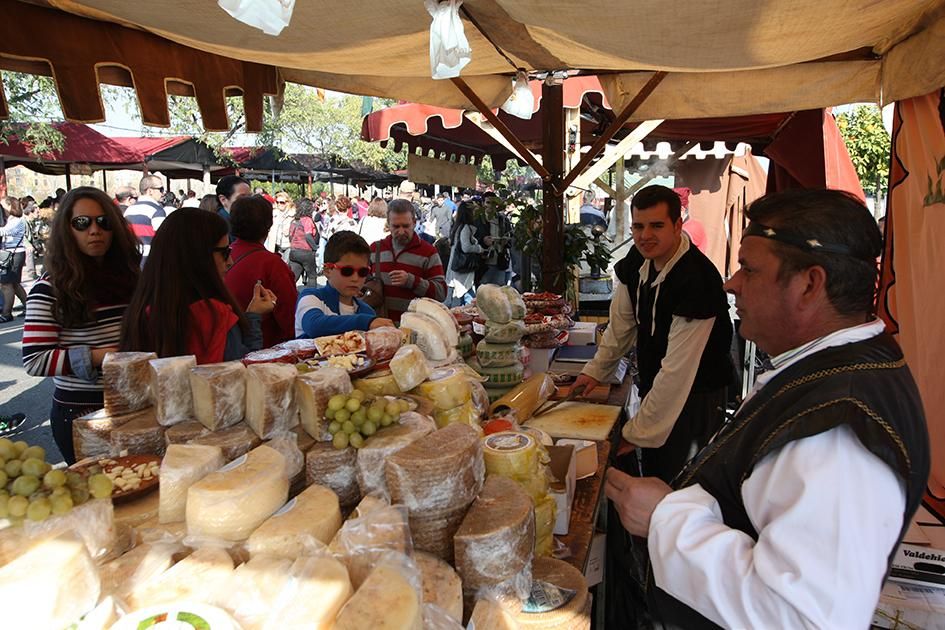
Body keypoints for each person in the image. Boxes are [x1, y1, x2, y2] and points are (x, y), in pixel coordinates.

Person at [606, 188, 930, 629]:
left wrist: (666, 519)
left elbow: (801, 617)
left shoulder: (837, 435)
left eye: (749, 269)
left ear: (809, 284)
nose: (731, 283)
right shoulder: (840, 370)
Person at [574, 185, 733, 483]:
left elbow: (678, 371)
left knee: (678, 485)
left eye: (657, 226)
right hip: (658, 387)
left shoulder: (697, 280)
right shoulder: (637, 258)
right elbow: (620, 328)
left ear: (677, 225)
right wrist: (595, 371)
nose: (645, 235)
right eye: (638, 226)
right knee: (653, 472)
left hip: (696, 396)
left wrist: (637, 432)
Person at [22, 187, 141, 463]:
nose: (94, 231)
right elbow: (35, 360)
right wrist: (103, 356)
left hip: (135, 402)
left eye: (104, 222)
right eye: (82, 223)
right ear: (67, 230)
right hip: (82, 411)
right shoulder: (49, 288)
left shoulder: (132, 278)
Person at [120, 208, 275, 364]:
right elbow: (245, 369)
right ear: (198, 255)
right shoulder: (213, 315)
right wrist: (254, 316)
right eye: (225, 252)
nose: (230, 262)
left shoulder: (140, 311)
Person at [225, 195, 298, 346]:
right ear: (268, 225)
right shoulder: (272, 264)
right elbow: (289, 317)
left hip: (227, 346)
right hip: (264, 351)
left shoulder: (221, 257)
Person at [295, 231, 395, 338]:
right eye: (347, 271)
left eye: (362, 272)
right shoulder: (311, 297)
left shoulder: (367, 311)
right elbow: (314, 325)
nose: (355, 278)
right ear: (327, 270)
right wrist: (364, 322)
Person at [370, 198, 447, 323]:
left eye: (406, 226)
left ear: (414, 223)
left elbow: (441, 293)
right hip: (380, 327)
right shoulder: (374, 249)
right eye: (396, 226)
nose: (401, 231)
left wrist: (412, 281)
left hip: (415, 329)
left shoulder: (428, 252)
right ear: (388, 224)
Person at [445, 201, 484, 306]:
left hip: (456, 266)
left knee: (463, 294)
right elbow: (466, 247)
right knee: (465, 294)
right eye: (474, 211)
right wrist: (479, 248)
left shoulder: (457, 226)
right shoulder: (466, 228)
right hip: (462, 267)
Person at [123, 174, 168, 265]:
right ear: (150, 191)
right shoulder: (157, 211)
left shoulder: (129, 210)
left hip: (132, 259)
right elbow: (163, 240)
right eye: (161, 189)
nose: (163, 193)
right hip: (150, 261)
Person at [0, 197, 28, 322]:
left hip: (15, 254)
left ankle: (6, 313)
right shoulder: (10, 220)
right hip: (12, 254)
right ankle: (29, 306)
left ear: (10, 206)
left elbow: (5, 232)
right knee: (15, 284)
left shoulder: (18, 220)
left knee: (6, 284)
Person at [287, 198, 319, 284]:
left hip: (294, 251)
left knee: (293, 277)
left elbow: (290, 236)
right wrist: (315, 247)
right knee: (312, 276)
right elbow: (308, 235)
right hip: (306, 252)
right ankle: (311, 295)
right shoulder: (307, 220)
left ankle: (289, 294)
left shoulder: (294, 220)